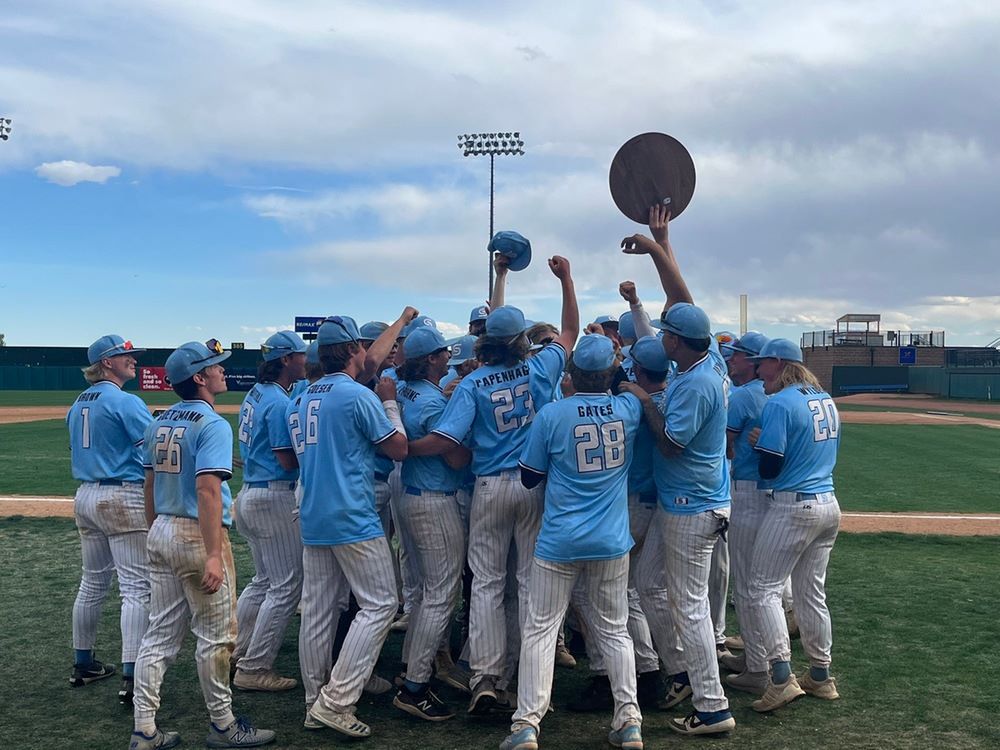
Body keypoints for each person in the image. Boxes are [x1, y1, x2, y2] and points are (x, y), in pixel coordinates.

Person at [408, 256, 579, 715]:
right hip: (533, 485)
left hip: (487, 486)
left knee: (485, 583)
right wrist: (566, 280)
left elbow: (446, 439)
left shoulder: (472, 381)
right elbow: (568, 332)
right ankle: (525, 672)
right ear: (522, 340)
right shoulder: (541, 366)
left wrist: (405, 449)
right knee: (526, 583)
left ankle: (485, 676)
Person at [621, 205, 735, 737]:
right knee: (647, 584)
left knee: (688, 605)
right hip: (691, 503)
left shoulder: (693, 382)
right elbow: (684, 302)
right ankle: (684, 672)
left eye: (668, 333)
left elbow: (669, 445)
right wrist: (660, 246)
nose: (663, 336)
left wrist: (644, 398)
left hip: (691, 506)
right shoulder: (705, 359)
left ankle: (712, 706)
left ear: (677, 344)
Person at [131, 339, 275, 750]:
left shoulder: (157, 420)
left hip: (162, 529)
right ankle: (224, 726)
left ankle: (144, 730)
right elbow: (209, 490)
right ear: (199, 378)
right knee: (215, 638)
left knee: (158, 635)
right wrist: (213, 553)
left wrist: (154, 531)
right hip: (197, 533)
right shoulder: (211, 423)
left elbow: (150, 484)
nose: (221, 371)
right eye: (215, 366)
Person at [501, 334, 644, 750]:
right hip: (611, 540)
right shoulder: (628, 408)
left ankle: (527, 724)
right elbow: (633, 395)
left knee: (541, 630)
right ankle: (629, 720)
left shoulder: (553, 414)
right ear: (610, 373)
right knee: (615, 632)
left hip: (560, 538)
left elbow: (529, 476)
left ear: (573, 373)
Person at [296, 315, 409, 739]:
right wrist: (390, 403)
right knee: (380, 603)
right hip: (351, 514)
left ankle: (314, 702)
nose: (367, 352)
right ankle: (337, 701)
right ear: (349, 351)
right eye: (360, 347)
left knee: (319, 611)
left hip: (313, 512)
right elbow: (397, 448)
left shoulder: (305, 396)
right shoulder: (356, 396)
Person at [746, 338, 842, 712]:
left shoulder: (780, 402)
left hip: (793, 505)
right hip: (829, 504)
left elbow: (770, 465)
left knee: (761, 590)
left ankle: (782, 676)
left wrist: (757, 444)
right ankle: (820, 676)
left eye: (762, 364)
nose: (757, 371)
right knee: (810, 593)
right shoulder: (824, 397)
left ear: (779, 363)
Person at [66, 334, 152, 705]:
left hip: (86, 494)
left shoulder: (77, 403)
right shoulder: (124, 400)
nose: (132, 359)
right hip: (122, 495)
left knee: (93, 584)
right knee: (136, 588)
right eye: (124, 355)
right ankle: (133, 677)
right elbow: (154, 449)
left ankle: (83, 663)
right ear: (106, 363)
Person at [392, 327, 472, 721]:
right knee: (441, 594)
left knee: (426, 592)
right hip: (434, 500)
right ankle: (415, 686)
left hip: (411, 496)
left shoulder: (410, 391)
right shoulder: (429, 401)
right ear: (430, 360)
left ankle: (411, 668)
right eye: (442, 353)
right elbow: (456, 459)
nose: (446, 357)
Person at [232, 331, 308, 692]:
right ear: (285, 360)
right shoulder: (278, 400)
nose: (305, 360)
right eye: (299, 355)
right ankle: (254, 666)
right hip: (272, 496)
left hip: (250, 494)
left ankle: (238, 651)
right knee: (286, 586)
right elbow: (285, 458)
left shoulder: (256, 392)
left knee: (263, 581)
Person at [717, 332, 774, 695]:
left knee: (749, 583)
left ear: (754, 362)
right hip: (769, 491)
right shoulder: (773, 395)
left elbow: (724, 446)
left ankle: (759, 667)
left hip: (747, 490)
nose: (731, 360)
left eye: (738, 356)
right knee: (757, 581)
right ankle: (755, 657)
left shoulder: (742, 395)